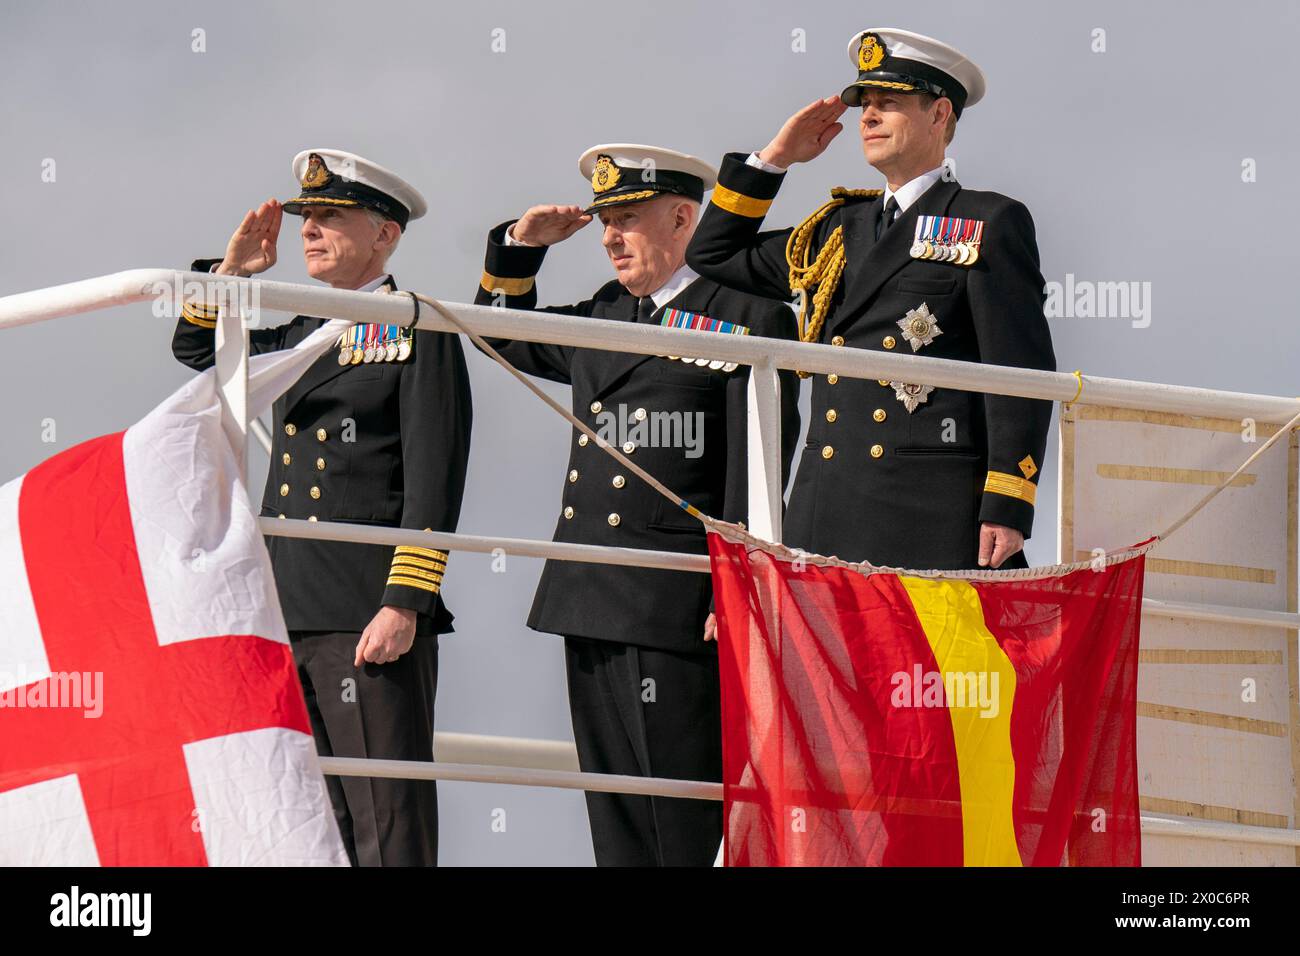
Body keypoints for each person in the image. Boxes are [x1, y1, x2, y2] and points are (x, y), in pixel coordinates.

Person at [474, 144, 800, 865]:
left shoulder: (749, 315)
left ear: (683, 217)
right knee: (615, 813)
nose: (610, 237)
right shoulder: (604, 312)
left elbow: (763, 459)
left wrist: (736, 584)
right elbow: (500, 336)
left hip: (676, 602)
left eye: (626, 218)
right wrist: (521, 249)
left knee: (681, 811)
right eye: (603, 222)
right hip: (586, 590)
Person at [172, 149, 472, 866]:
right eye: (307, 218)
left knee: (386, 819)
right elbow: (193, 346)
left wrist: (406, 601)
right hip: (286, 603)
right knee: (309, 817)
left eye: (332, 217)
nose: (311, 230)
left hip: (365, 608)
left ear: (385, 235)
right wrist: (232, 276)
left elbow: (436, 480)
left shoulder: (418, 330)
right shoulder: (298, 338)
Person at [687, 28, 1056, 570]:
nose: (868, 116)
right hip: (825, 503)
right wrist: (775, 159)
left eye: (890, 103)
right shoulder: (839, 226)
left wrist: (1008, 501)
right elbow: (713, 253)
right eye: (865, 105)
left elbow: (1020, 369)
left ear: (939, 114)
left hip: (927, 506)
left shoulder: (986, 220)